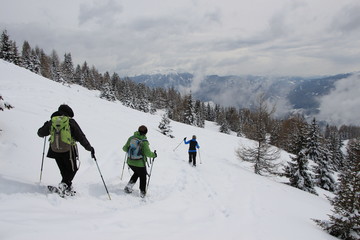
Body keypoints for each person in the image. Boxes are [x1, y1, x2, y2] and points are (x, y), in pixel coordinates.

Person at [37, 104, 95, 195]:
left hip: (54, 150)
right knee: (73, 169)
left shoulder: (52, 121)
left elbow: (40, 133)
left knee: (63, 169)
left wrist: (45, 125)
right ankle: (64, 186)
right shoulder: (70, 121)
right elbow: (80, 136)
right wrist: (89, 148)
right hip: (68, 149)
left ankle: (66, 186)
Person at [122, 125, 157, 198]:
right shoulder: (144, 142)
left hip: (130, 161)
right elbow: (148, 153)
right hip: (140, 163)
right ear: (145, 133)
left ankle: (128, 187)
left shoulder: (131, 138)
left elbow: (124, 148)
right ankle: (142, 192)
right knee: (143, 176)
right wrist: (154, 155)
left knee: (137, 173)